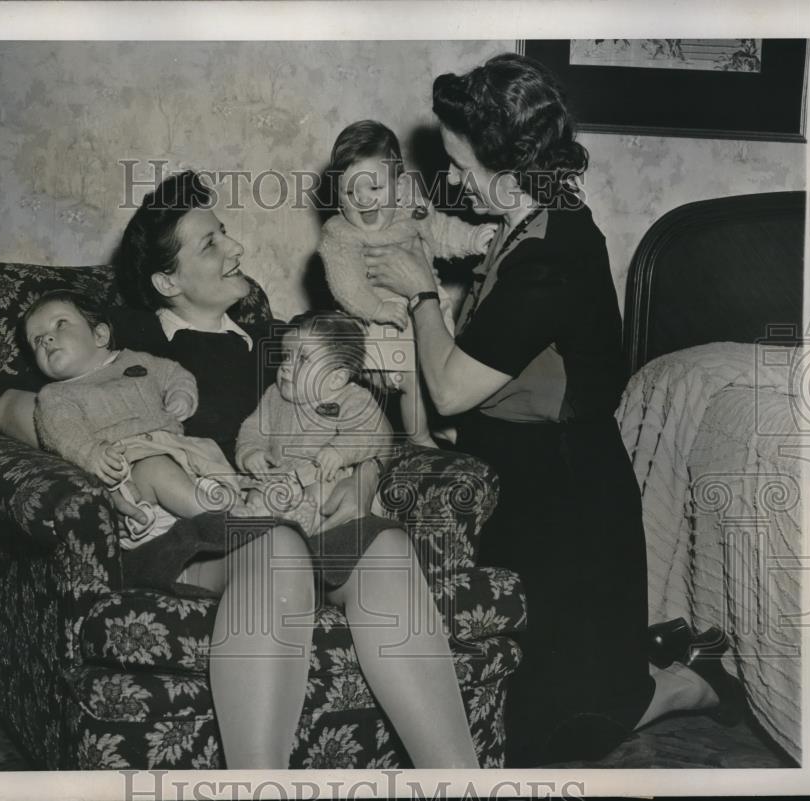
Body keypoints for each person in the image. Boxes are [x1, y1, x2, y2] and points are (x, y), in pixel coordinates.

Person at [0, 171, 479, 770]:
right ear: (167, 280)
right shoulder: (130, 336)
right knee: (278, 549)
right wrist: (110, 452)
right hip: (193, 531)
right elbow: (9, 406)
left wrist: (365, 476)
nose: (236, 248)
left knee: (386, 549)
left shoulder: (277, 342)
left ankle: (458, 781)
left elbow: (356, 416)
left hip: (292, 508)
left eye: (225, 233)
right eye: (210, 244)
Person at [362, 52, 744, 766]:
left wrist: (420, 294)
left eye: (461, 165)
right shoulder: (521, 223)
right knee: (513, 712)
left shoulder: (554, 253)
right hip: (517, 482)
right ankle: (646, 655)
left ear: (507, 173)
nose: (451, 180)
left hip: (568, 509)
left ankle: (689, 680)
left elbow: (448, 389)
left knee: (559, 733)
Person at [319, 120, 496, 448]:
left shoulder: (410, 209)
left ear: (399, 187)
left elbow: (441, 231)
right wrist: (377, 308)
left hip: (427, 312)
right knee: (412, 376)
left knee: (446, 363)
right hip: (376, 325)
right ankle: (419, 436)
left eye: (375, 188)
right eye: (349, 192)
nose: (363, 201)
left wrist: (473, 237)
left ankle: (443, 424)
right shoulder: (340, 235)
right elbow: (344, 284)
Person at [22, 289, 238, 549]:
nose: (46, 339)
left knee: (219, 469)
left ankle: (233, 508)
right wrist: (90, 453)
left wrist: (182, 395)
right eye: (36, 340)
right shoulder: (55, 395)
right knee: (156, 468)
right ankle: (225, 525)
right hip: (132, 472)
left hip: (180, 453)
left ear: (100, 335)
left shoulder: (136, 359)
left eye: (60, 324)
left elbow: (173, 373)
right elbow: (60, 431)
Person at [235, 310, 396, 538]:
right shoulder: (273, 395)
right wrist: (250, 451)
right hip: (281, 473)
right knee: (258, 494)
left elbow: (371, 432)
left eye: (302, 359)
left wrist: (340, 450)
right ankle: (259, 515)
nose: (286, 366)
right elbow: (252, 428)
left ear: (336, 378)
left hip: (323, 472)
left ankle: (308, 521)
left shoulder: (352, 398)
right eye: (286, 356)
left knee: (323, 491)